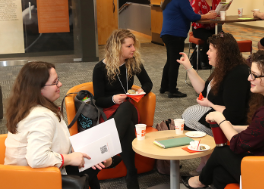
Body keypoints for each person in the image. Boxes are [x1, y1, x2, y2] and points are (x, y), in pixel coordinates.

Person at [181, 50, 264, 189]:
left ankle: (199, 182)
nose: (249, 78)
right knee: (219, 174)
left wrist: (221, 119)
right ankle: (202, 181)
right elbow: (261, 130)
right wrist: (232, 126)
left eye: (255, 75)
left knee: (222, 151)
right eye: (251, 73)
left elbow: (237, 145)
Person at [4, 61, 118, 189]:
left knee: (93, 162)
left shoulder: (28, 107)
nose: (60, 84)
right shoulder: (40, 117)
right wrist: (69, 159)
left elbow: (53, 141)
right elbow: (37, 159)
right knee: (96, 165)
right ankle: (110, 161)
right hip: (33, 178)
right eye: (55, 82)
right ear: (38, 89)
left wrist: (75, 151)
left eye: (58, 80)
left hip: (37, 171)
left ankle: (109, 161)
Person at [177, 32, 250, 176]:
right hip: (216, 116)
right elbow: (204, 90)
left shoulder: (237, 74)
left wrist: (210, 104)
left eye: (211, 49)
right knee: (174, 125)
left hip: (230, 123)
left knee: (178, 126)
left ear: (222, 53)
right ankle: (204, 163)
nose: (207, 53)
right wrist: (189, 67)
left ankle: (208, 165)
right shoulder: (223, 68)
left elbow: (234, 114)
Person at [92, 29, 153, 189]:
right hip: (109, 113)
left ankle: (108, 153)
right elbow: (98, 99)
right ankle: (131, 173)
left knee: (126, 106)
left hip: (129, 110)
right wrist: (113, 99)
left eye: (133, 45)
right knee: (127, 129)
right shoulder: (100, 69)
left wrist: (142, 91)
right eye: (129, 46)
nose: (133, 49)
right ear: (117, 47)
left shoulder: (133, 63)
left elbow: (148, 83)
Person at [160, 0, 217, 98]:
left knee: (170, 61)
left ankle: (165, 86)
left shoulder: (168, 1)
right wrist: (207, 16)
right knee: (175, 63)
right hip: (175, 34)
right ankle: (172, 90)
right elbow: (192, 17)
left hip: (168, 33)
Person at [191, 0, 220, 69]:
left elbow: (219, 16)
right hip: (199, 28)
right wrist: (207, 16)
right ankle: (203, 60)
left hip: (213, 27)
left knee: (225, 38)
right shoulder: (197, 1)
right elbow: (195, 16)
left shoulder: (217, 1)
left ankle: (224, 61)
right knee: (210, 38)